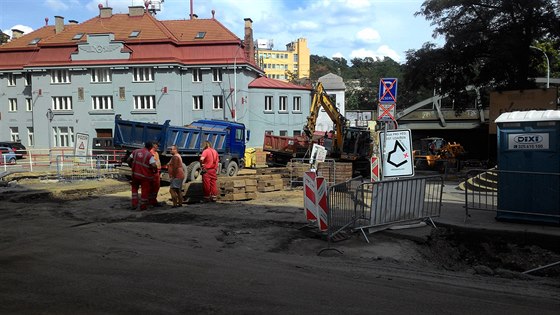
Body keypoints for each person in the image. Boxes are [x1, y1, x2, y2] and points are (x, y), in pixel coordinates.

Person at [127, 141, 157, 211]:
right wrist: (154, 170)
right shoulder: (149, 155)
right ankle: (143, 206)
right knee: (145, 191)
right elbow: (153, 165)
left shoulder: (135, 151)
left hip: (135, 175)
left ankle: (134, 204)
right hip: (144, 177)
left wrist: (131, 166)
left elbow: (128, 160)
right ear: (150, 147)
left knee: (134, 190)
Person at [149, 142, 162, 207]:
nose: (158, 147)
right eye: (157, 146)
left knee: (156, 187)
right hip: (153, 173)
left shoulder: (156, 153)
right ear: (154, 146)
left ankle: (153, 200)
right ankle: (151, 201)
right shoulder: (150, 153)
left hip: (157, 172)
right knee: (152, 187)